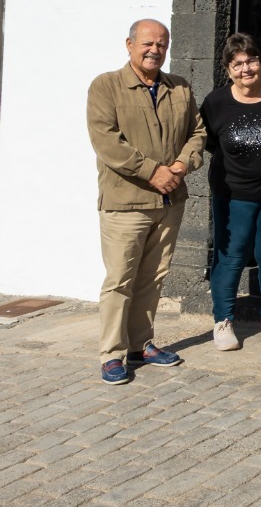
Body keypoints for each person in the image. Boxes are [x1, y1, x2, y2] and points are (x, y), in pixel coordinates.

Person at [85, 19, 206, 385]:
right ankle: (111, 354)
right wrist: (153, 171)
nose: (155, 50)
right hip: (126, 202)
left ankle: (140, 343)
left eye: (162, 44)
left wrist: (183, 164)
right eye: (148, 43)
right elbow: (107, 142)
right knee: (120, 279)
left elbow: (197, 132)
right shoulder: (106, 86)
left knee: (153, 278)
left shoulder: (179, 88)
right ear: (129, 44)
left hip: (169, 200)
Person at [201, 33, 261, 352]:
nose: (246, 69)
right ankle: (223, 322)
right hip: (233, 194)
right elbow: (209, 142)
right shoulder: (215, 102)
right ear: (228, 70)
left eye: (251, 60)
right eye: (237, 64)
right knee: (231, 256)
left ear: (260, 62)